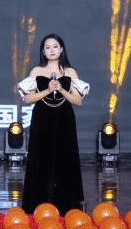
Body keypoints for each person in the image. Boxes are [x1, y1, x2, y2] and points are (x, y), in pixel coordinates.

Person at [17, 33, 89, 214]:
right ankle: (38, 204)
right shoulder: (37, 71)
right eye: (47, 47)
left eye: (55, 47)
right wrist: (47, 90)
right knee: (41, 158)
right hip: (42, 119)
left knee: (65, 159)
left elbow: (78, 101)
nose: (52, 50)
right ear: (43, 51)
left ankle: (67, 206)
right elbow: (27, 98)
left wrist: (62, 89)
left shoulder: (70, 72)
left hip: (64, 119)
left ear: (61, 49)